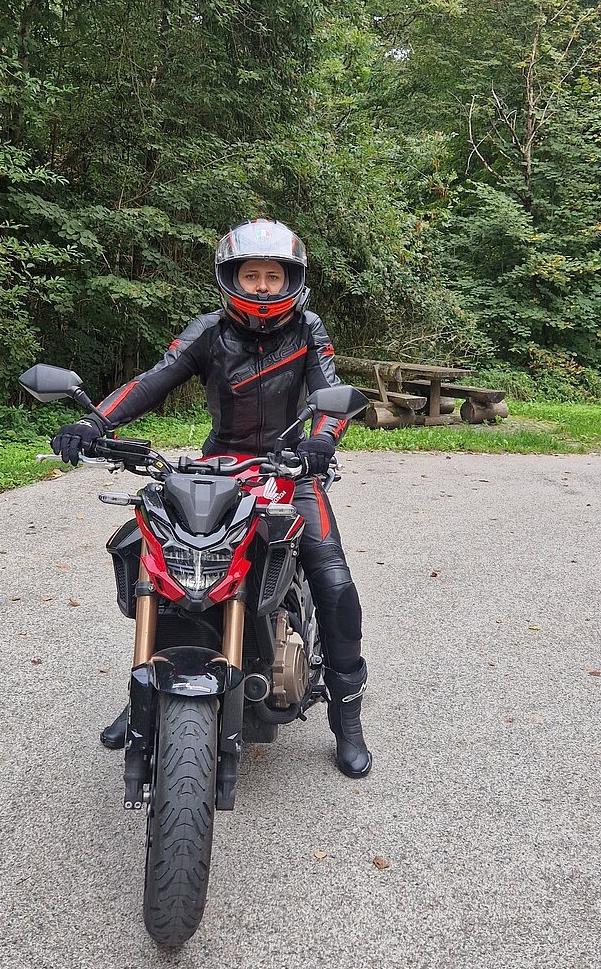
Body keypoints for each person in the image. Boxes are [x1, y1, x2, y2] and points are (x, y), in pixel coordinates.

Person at [50, 218, 373, 779]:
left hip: (290, 468)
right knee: (168, 561)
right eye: (252, 275)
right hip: (217, 466)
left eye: (274, 276)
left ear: (291, 279)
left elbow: (328, 392)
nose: (263, 286)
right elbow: (154, 379)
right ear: (231, 278)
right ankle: (149, 689)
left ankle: (347, 719)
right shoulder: (208, 330)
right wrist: (94, 421)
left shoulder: (308, 329)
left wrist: (321, 441)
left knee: (333, 580)